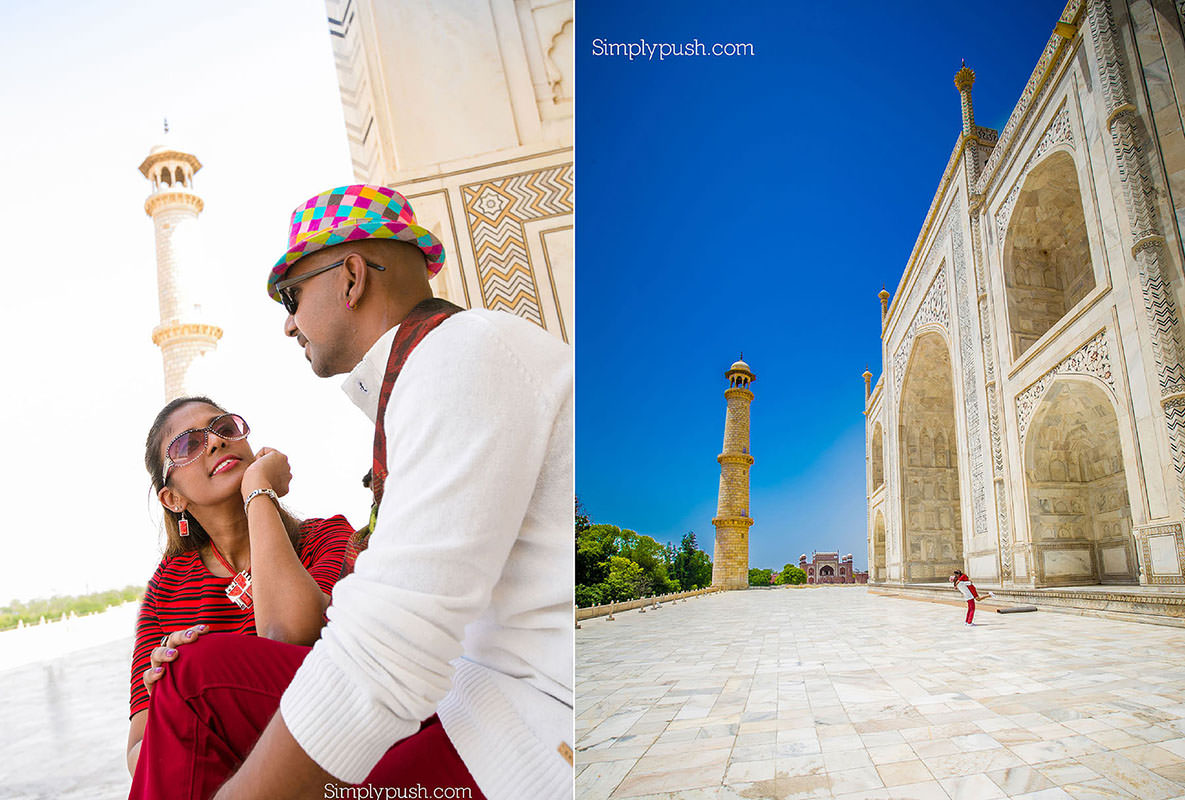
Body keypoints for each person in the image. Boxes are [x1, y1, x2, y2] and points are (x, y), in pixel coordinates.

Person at [127, 185, 574, 800]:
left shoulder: (461, 359)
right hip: (476, 704)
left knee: (202, 689)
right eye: (186, 445)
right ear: (169, 494)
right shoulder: (430, 371)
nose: (288, 323)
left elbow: (385, 649)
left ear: (352, 278)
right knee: (195, 676)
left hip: (528, 729)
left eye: (291, 296)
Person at [127, 396, 353, 775]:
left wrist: (258, 489)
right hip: (231, 776)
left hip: (331, 753)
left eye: (225, 429)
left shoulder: (327, 537)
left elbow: (292, 635)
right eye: (189, 444)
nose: (215, 442)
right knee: (183, 670)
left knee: (195, 664)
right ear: (173, 498)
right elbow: (140, 760)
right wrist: (166, 697)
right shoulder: (165, 591)